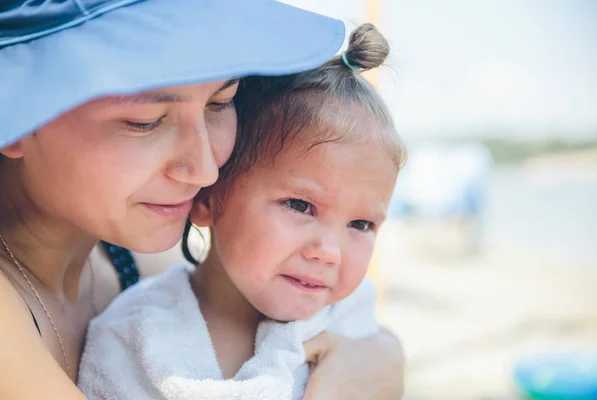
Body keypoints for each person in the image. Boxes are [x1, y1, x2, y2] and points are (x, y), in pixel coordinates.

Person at [0, 2, 403, 399]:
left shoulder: (133, 260)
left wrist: (385, 356)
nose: (207, 170)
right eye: (145, 121)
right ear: (15, 116)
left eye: (220, 102)